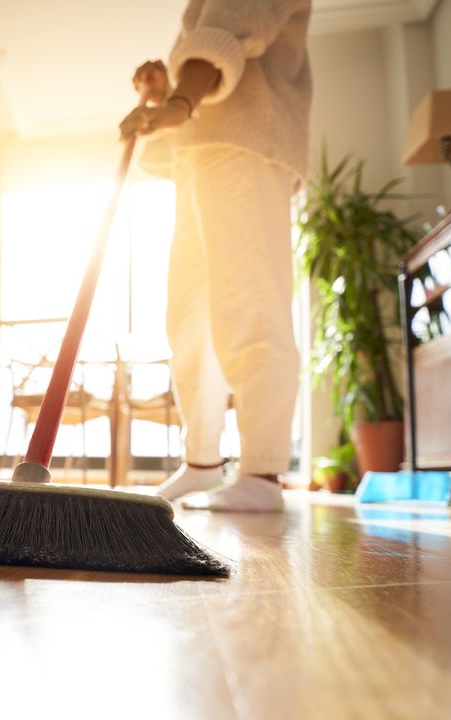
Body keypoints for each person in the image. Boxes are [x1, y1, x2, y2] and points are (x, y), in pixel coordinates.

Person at [119, 0, 312, 511]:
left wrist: (180, 103)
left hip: (244, 142)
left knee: (250, 301)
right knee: (191, 320)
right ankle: (202, 464)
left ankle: (262, 472)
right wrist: (169, 95)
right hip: (200, 153)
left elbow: (231, 29)